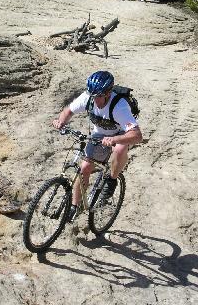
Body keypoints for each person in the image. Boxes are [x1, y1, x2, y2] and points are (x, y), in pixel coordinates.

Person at [52, 70, 143, 221]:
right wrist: (61, 121)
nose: (95, 100)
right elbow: (68, 111)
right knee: (84, 168)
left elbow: (137, 135)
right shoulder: (88, 97)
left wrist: (115, 140)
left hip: (121, 134)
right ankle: (75, 206)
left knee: (120, 149)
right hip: (99, 135)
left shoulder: (119, 107)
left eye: (99, 96)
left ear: (108, 93)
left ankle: (112, 180)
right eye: (93, 95)